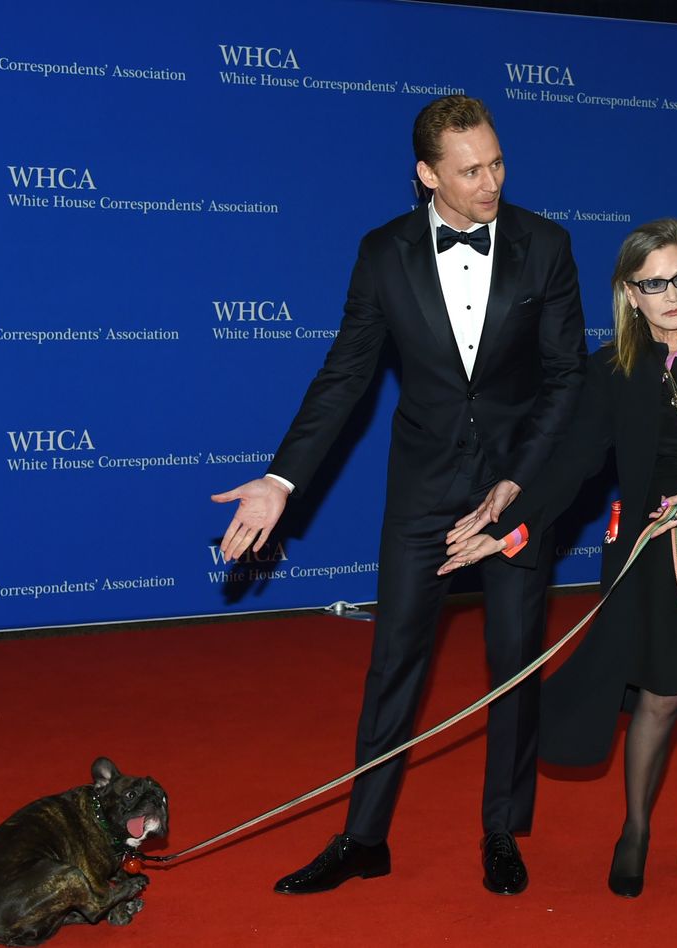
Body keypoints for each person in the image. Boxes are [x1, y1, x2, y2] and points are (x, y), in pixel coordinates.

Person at [211, 95, 586, 896]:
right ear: (427, 176)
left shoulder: (546, 245)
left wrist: (518, 484)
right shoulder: (383, 252)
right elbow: (345, 374)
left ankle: (501, 829)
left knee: (513, 659)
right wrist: (281, 481)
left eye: (497, 163)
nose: (492, 182)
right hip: (423, 486)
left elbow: (565, 381)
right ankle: (363, 837)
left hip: (515, 482)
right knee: (393, 664)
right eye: (470, 170)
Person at [440, 218, 677, 898]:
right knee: (661, 698)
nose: (671, 295)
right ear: (629, 293)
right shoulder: (613, 369)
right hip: (657, 552)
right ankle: (634, 830)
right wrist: (507, 525)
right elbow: (574, 463)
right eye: (653, 284)